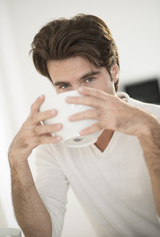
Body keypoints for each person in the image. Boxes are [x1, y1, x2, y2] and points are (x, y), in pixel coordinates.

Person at [8, 14, 160, 237]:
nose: (78, 96)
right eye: (64, 86)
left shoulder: (154, 121)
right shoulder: (55, 142)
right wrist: (16, 160)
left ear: (114, 70)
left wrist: (148, 131)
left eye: (88, 79)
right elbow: (41, 233)